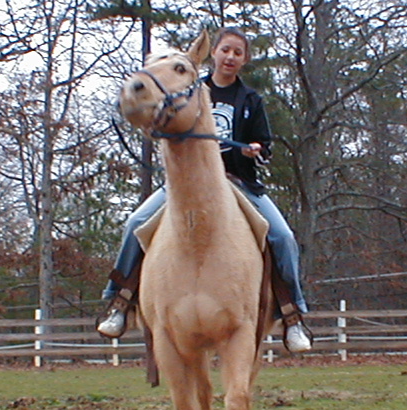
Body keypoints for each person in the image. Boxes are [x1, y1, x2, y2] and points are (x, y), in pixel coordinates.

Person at [98, 27, 312, 352]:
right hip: (188, 183)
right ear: (214, 53)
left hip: (239, 182)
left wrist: (255, 149)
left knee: (283, 237)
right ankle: (120, 301)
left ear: (244, 60)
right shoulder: (191, 89)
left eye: (238, 53)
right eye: (225, 50)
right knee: (134, 223)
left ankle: (292, 315)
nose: (230, 57)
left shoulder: (250, 100)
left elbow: (266, 146)